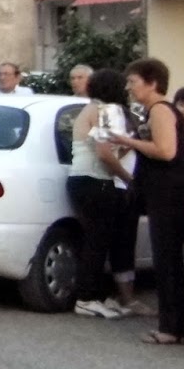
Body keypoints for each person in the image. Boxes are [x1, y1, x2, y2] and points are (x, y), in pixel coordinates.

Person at [111, 58, 184, 346]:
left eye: (133, 82)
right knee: (172, 257)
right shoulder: (168, 111)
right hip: (173, 191)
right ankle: (183, 327)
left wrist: (128, 141)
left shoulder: (160, 110)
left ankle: (172, 328)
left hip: (167, 194)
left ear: (152, 83)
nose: (129, 88)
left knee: (167, 258)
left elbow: (165, 151)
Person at [66, 69, 146, 319]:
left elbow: (108, 148)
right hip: (95, 181)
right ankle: (86, 299)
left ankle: (97, 295)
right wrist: (128, 178)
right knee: (96, 242)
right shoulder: (104, 111)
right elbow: (104, 153)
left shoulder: (91, 109)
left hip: (83, 179)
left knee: (98, 240)